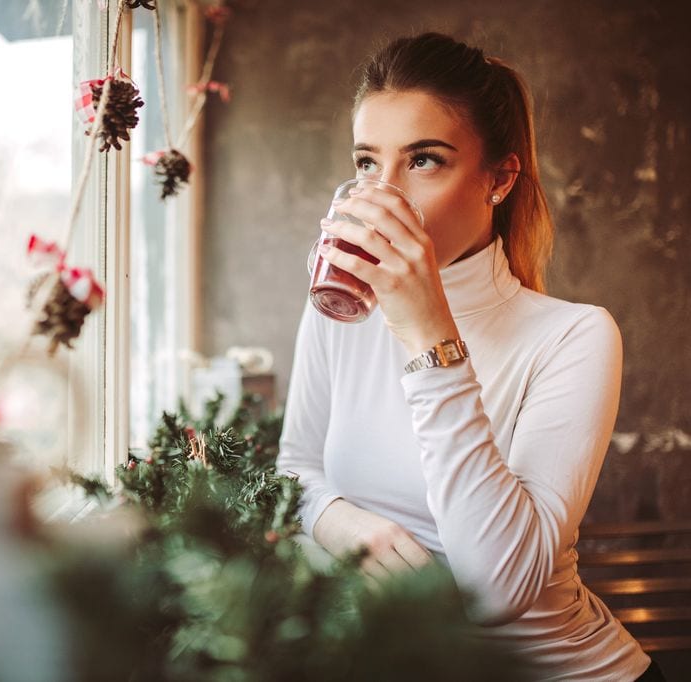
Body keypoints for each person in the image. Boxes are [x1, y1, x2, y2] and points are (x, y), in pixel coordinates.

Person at [277, 33, 663, 681]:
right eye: (368, 164)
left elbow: (497, 591)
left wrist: (431, 334)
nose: (385, 194)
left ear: (500, 178)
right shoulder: (340, 300)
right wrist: (342, 526)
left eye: (424, 160)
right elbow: (295, 468)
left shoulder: (575, 338)